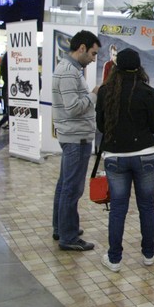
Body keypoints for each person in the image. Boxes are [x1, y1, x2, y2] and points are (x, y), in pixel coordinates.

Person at [96, 48, 154, 272]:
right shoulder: (147, 91)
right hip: (146, 154)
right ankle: (149, 254)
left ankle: (114, 259)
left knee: (118, 208)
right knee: (147, 205)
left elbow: (101, 126)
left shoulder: (105, 91)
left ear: (116, 67)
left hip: (115, 156)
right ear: (138, 67)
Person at [51, 30, 101, 251]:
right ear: (82, 48)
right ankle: (68, 237)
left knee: (65, 185)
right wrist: (94, 94)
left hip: (73, 135)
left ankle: (62, 228)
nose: (93, 59)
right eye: (92, 53)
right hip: (75, 137)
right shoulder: (69, 72)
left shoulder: (68, 69)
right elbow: (72, 108)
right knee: (72, 188)